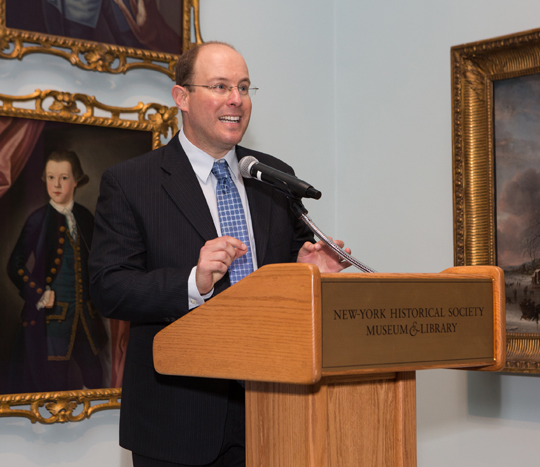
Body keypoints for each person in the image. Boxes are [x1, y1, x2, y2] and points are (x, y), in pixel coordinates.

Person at [89, 42, 350, 467]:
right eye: (221, 86)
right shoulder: (131, 182)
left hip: (274, 411)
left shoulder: (271, 176)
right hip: (178, 420)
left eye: (244, 88)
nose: (237, 100)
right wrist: (193, 282)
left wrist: (306, 273)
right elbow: (108, 287)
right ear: (182, 98)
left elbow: (284, 277)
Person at [8, 150, 107, 393]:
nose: (56, 184)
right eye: (51, 177)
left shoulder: (85, 217)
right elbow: (14, 264)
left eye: (63, 178)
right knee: (55, 380)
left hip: (86, 317)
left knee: (95, 376)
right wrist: (40, 293)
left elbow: (99, 261)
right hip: (53, 320)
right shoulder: (38, 219)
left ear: (76, 181)